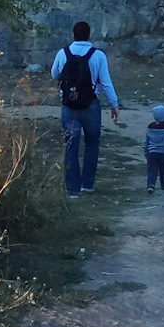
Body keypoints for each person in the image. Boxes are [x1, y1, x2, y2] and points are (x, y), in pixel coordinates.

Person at [51, 22, 119, 198]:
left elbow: (54, 74)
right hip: (91, 105)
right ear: (90, 35)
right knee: (92, 143)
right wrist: (114, 104)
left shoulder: (62, 53)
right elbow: (105, 82)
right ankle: (88, 184)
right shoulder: (98, 56)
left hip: (69, 105)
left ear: (73, 34)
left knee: (71, 145)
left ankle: (72, 189)